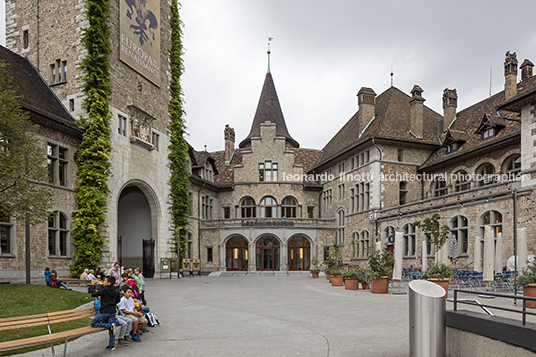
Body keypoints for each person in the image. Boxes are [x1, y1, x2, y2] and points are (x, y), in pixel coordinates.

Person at [90, 276, 120, 350]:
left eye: (105, 281)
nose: (104, 282)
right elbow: (118, 300)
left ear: (109, 283)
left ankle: (108, 326)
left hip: (104, 311)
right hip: (112, 311)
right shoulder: (116, 290)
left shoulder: (105, 290)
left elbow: (93, 294)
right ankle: (112, 345)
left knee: (93, 323)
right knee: (112, 329)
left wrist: (93, 285)